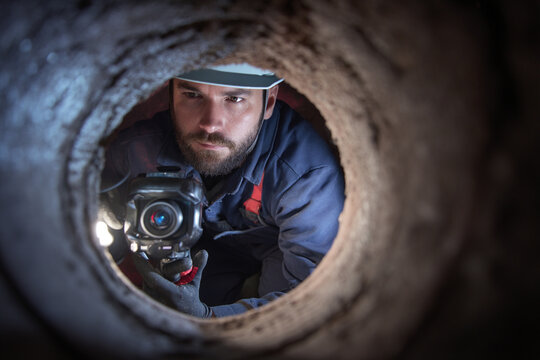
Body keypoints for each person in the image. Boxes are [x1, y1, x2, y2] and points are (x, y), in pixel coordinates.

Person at [100, 64, 345, 318]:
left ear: (269, 101)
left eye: (234, 98)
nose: (210, 124)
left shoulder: (305, 175)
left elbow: (310, 297)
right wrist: (112, 229)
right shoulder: (136, 151)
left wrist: (210, 319)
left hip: (278, 252)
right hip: (204, 253)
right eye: (193, 95)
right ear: (170, 93)